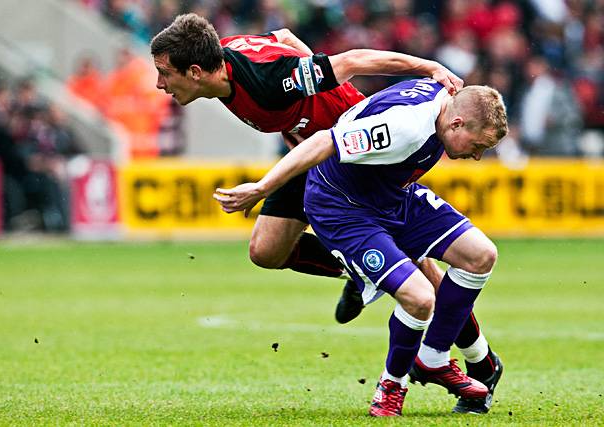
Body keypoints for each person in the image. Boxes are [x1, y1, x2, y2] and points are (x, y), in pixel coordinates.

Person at [152, 14, 501, 414]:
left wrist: (427, 65)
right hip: (309, 154)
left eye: (164, 73)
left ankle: (481, 359)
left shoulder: (269, 80)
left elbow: (351, 61)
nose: (160, 84)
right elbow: (282, 36)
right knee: (266, 250)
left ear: (195, 72)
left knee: (425, 277)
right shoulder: (227, 55)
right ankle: (358, 271)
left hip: (351, 156)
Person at [214, 79, 508, 417]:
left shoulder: (442, 99)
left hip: (390, 195)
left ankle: (432, 358)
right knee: (421, 296)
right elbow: (325, 140)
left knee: (481, 255)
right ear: (456, 123)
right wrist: (262, 188)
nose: (477, 156)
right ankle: (391, 386)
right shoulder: (406, 128)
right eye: (478, 145)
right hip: (343, 207)